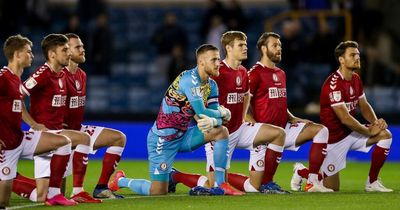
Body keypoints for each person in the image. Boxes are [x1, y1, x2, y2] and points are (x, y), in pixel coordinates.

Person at [107, 44, 242, 196]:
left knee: (221, 132)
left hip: (183, 136)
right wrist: (223, 114)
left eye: (218, 59)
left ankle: (221, 184)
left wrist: (218, 119)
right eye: (214, 60)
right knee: (158, 191)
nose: (219, 63)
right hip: (162, 140)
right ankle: (120, 181)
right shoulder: (189, 80)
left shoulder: (212, 85)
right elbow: (203, 112)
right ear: (201, 62)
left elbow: (215, 117)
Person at [168, 31, 287, 194]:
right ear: (228, 48)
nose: (245, 48)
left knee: (278, 134)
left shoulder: (244, 72)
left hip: (239, 129)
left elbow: (246, 96)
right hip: (220, 134)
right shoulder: (217, 72)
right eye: (240, 45)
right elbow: (193, 101)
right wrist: (204, 123)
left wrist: (244, 118)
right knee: (213, 187)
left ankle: (267, 182)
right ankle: (176, 176)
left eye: (245, 45)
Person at [292, 41, 393, 192]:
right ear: (341, 59)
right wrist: (368, 131)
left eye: (358, 55)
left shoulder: (356, 79)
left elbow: (364, 105)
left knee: (385, 135)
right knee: (333, 188)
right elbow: (344, 118)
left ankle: (372, 183)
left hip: (351, 133)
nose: (357, 57)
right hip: (333, 140)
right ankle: (301, 171)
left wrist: (376, 122)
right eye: (352, 55)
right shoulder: (333, 84)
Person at [14, 34, 100, 204]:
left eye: (69, 49)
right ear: (52, 54)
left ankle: (17, 179)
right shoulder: (42, 74)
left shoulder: (61, 74)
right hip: (44, 135)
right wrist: (33, 124)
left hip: (56, 132)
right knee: (82, 139)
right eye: (65, 50)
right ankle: (77, 191)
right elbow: (17, 95)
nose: (69, 53)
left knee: (50, 192)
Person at [247, 32, 333, 192]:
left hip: (283, 129)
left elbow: (279, 103)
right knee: (254, 187)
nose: (279, 48)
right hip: (265, 135)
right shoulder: (254, 73)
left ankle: (312, 182)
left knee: (321, 130)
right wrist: (253, 129)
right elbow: (244, 105)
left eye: (280, 45)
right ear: (264, 48)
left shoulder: (281, 73)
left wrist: (294, 118)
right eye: (275, 45)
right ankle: (216, 182)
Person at [0, 34, 74, 208]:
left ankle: (54, 194)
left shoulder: (15, 78)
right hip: (6, 148)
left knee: (64, 142)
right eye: (28, 52)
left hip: (20, 139)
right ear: (17, 54)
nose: (32, 55)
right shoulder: (3, 77)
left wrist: (33, 124)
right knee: (2, 202)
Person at [63, 33, 126, 199]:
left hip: (78, 131)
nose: (83, 49)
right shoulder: (58, 75)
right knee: (48, 193)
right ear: (66, 51)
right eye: (78, 47)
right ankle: (14, 178)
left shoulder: (82, 75)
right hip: (59, 136)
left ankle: (101, 187)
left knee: (118, 138)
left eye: (82, 46)